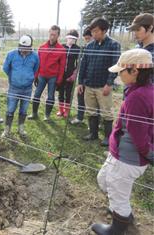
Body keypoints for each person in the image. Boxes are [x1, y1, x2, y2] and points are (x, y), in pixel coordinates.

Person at [91, 48, 154, 235]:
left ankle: (117, 229)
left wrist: (149, 155)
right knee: (104, 180)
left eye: (121, 71)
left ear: (135, 71)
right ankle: (123, 213)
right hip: (121, 153)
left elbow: (139, 136)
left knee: (117, 190)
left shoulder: (137, 97)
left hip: (128, 158)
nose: (119, 74)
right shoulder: (143, 90)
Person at [78, 17, 121, 146]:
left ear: (104, 30)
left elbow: (115, 66)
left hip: (103, 86)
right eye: (92, 31)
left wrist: (109, 84)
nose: (93, 34)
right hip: (89, 85)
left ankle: (108, 137)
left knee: (106, 112)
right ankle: (93, 133)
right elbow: (83, 65)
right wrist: (80, 82)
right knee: (91, 110)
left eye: (96, 31)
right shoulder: (89, 45)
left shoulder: (113, 45)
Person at [2, 35, 39, 137]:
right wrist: (13, 77)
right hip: (14, 88)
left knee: (24, 110)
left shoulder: (35, 56)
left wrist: (28, 77)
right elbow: (5, 68)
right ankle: (7, 130)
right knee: (10, 109)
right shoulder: (11, 54)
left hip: (27, 89)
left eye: (26, 49)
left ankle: (21, 128)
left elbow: (35, 69)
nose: (24, 51)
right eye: (22, 48)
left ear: (30, 47)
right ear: (19, 45)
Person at [28, 25, 66, 122]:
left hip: (53, 77)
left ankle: (47, 115)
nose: (52, 36)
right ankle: (34, 113)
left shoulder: (61, 50)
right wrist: (36, 76)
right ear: (49, 33)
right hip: (41, 75)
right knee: (36, 95)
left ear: (58, 35)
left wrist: (59, 80)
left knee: (50, 97)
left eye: (54, 35)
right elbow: (38, 63)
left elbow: (62, 67)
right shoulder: (42, 47)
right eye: (51, 34)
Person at [71, 27, 93, 125]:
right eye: (85, 39)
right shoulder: (83, 49)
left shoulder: (97, 49)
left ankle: (97, 121)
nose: (87, 41)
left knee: (94, 101)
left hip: (93, 79)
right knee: (80, 96)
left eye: (89, 38)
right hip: (83, 78)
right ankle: (80, 117)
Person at [57, 29, 81, 119]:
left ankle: (67, 111)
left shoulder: (77, 49)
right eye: (69, 38)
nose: (71, 40)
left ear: (76, 39)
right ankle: (61, 110)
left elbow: (78, 63)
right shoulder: (62, 47)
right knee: (61, 92)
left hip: (71, 74)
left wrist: (74, 74)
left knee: (68, 93)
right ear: (67, 38)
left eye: (73, 39)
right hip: (61, 74)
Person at [127, 13, 154, 81]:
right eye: (133, 30)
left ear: (150, 28)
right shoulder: (137, 48)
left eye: (138, 30)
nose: (135, 33)